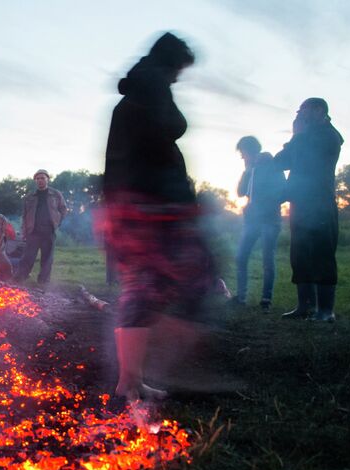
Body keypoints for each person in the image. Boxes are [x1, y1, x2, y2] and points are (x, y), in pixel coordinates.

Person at [102, 33, 214, 401]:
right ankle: (172, 366)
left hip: (135, 209)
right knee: (194, 278)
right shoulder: (152, 86)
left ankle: (131, 381)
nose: (179, 77)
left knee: (144, 290)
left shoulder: (137, 93)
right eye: (180, 69)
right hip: (151, 210)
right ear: (171, 62)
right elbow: (170, 127)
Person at [275, 98, 343, 322]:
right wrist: (296, 136)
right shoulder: (302, 137)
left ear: (318, 110)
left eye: (302, 109)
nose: (299, 114)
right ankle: (305, 307)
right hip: (300, 204)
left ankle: (326, 311)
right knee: (300, 254)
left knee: (322, 255)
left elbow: (308, 160)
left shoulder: (329, 136)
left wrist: (299, 135)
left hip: (321, 204)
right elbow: (281, 162)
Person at [231, 136, 286, 312]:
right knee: (241, 256)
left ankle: (266, 300)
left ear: (249, 151)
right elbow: (240, 193)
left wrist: (266, 204)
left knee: (267, 260)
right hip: (252, 221)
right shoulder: (249, 169)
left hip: (270, 219)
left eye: (242, 153)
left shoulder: (272, 165)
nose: (241, 157)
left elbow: (283, 191)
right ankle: (241, 297)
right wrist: (247, 172)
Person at [13, 170, 68, 285]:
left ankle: (43, 281)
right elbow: (25, 215)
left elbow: (63, 209)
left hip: (49, 231)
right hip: (33, 231)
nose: (40, 180)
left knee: (47, 259)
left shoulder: (55, 194)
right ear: (35, 181)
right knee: (28, 257)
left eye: (42, 178)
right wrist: (24, 231)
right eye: (37, 179)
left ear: (47, 179)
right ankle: (19, 279)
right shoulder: (29, 196)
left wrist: (57, 223)